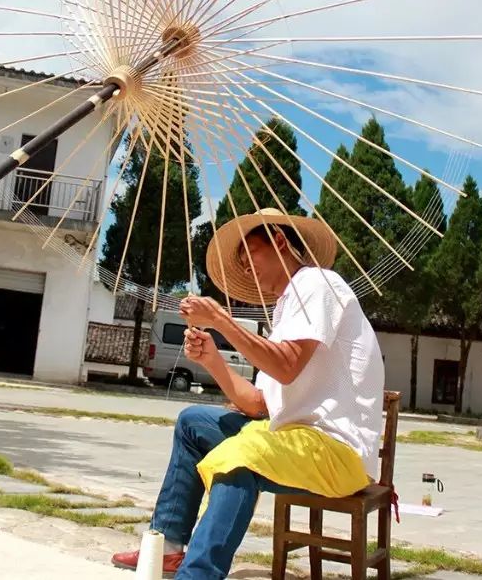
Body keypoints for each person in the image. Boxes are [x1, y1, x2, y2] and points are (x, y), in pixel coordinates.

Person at [111, 208, 385, 579]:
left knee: (241, 455)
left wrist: (222, 320)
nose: (246, 269)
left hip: (336, 451)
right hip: (292, 440)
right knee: (193, 423)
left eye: (249, 256)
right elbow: (258, 403)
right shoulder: (287, 309)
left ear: (280, 242)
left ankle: (199, 574)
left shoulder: (318, 284)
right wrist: (212, 360)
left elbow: (286, 365)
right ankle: (170, 549)